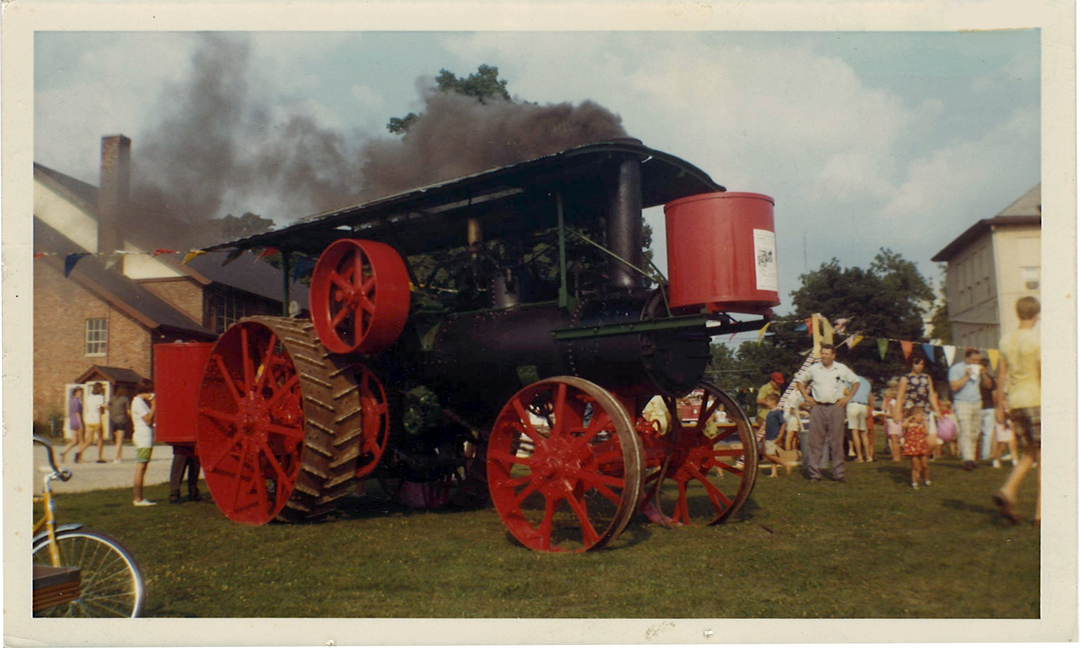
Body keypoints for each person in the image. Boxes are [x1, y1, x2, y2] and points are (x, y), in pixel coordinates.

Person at [992, 296, 1041, 526]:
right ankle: (1040, 512)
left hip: (1016, 401)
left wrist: (999, 406)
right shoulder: (1035, 339)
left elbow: (1001, 375)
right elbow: (1042, 372)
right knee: (1044, 457)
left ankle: (1008, 490)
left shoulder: (1006, 340)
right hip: (1037, 400)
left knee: (1030, 452)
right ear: (1036, 315)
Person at [794, 344, 858, 482]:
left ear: (833, 355)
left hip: (836, 406)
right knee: (815, 441)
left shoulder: (841, 368)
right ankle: (815, 474)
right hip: (818, 407)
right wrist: (807, 397)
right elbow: (799, 381)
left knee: (836, 441)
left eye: (827, 354)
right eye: (822, 353)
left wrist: (848, 398)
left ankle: (838, 473)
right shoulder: (814, 369)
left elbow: (856, 382)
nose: (824, 356)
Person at [949, 347, 990, 470]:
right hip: (962, 402)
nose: (976, 362)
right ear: (966, 358)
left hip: (977, 402)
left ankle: (972, 458)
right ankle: (968, 459)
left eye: (978, 360)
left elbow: (988, 385)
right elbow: (954, 387)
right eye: (974, 360)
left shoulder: (979, 369)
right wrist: (966, 376)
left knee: (975, 432)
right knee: (965, 430)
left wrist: (984, 374)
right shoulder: (956, 369)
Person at [894, 353, 943, 449]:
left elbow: (931, 395)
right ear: (911, 364)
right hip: (910, 411)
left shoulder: (926, 378)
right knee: (912, 437)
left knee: (926, 436)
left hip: (924, 410)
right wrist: (897, 413)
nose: (919, 366)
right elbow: (900, 397)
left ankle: (924, 457)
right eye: (917, 364)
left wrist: (937, 410)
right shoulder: (905, 379)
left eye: (921, 364)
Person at [131, 379, 157, 507]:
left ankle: (139, 497)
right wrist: (154, 405)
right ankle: (138, 499)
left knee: (142, 468)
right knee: (141, 468)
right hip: (143, 437)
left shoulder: (139, 402)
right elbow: (147, 420)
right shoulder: (138, 402)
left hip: (144, 436)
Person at [757, 392, 793, 477]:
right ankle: (774, 473)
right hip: (768, 436)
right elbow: (766, 424)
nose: (766, 403)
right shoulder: (769, 413)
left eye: (767, 401)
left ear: (773, 401)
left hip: (774, 436)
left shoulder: (777, 412)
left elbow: (783, 423)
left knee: (768, 454)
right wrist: (761, 430)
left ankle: (785, 464)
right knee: (772, 455)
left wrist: (780, 435)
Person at [900, 404, 932, 489]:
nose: (922, 416)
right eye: (921, 414)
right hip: (913, 449)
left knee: (924, 465)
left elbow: (927, 433)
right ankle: (914, 482)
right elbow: (904, 426)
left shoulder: (921, 425)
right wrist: (909, 419)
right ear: (915, 416)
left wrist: (925, 424)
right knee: (915, 466)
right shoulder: (909, 425)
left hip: (922, 447)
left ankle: (926, 478)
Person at [845, 375, 875, 462]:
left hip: (853, 405)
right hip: (864, 406)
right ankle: (869, 456)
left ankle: (859, 456)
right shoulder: (866, 382)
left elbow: (844, 392)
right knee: (863, 432)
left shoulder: (849, 380)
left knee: (854, 432)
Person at [977, 357, 998, 461]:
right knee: (987, 433)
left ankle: (981, 455)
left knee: (981, 433)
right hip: (987, 407)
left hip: (984, 407)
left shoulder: (975, 378)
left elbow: (990, 387)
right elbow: (994, 395)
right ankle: (983, 455)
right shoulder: (989, 378)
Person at [59, 387, 85, 463]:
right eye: (79, 392)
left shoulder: (72, 401)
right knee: (81, 441)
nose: (80, 394)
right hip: (77, 421)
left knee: (74, 441)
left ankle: (63, 452)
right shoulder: (77, 401)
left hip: (72, 421)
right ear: (75, 393)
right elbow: (77, 413)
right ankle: (79, 458)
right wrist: (81, 424)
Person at [108, 384, 132, 463]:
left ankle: (120, 457)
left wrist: (112, 411)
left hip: (113, 420)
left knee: (117, 440)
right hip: (121, 420)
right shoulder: (125, 399)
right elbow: (128, 411)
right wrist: (129, 418)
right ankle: (115, 458)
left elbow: (107, 406)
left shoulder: (112, 399)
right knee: (120, 441)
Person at [882, 383, 903, 461]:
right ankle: (897, 456)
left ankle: (896, 457)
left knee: (894, 441)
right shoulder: (898, 403)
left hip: (892, 423)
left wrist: (884, 414)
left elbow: (893, 414)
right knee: (896, 441)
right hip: (898, 423)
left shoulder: (891, 403)